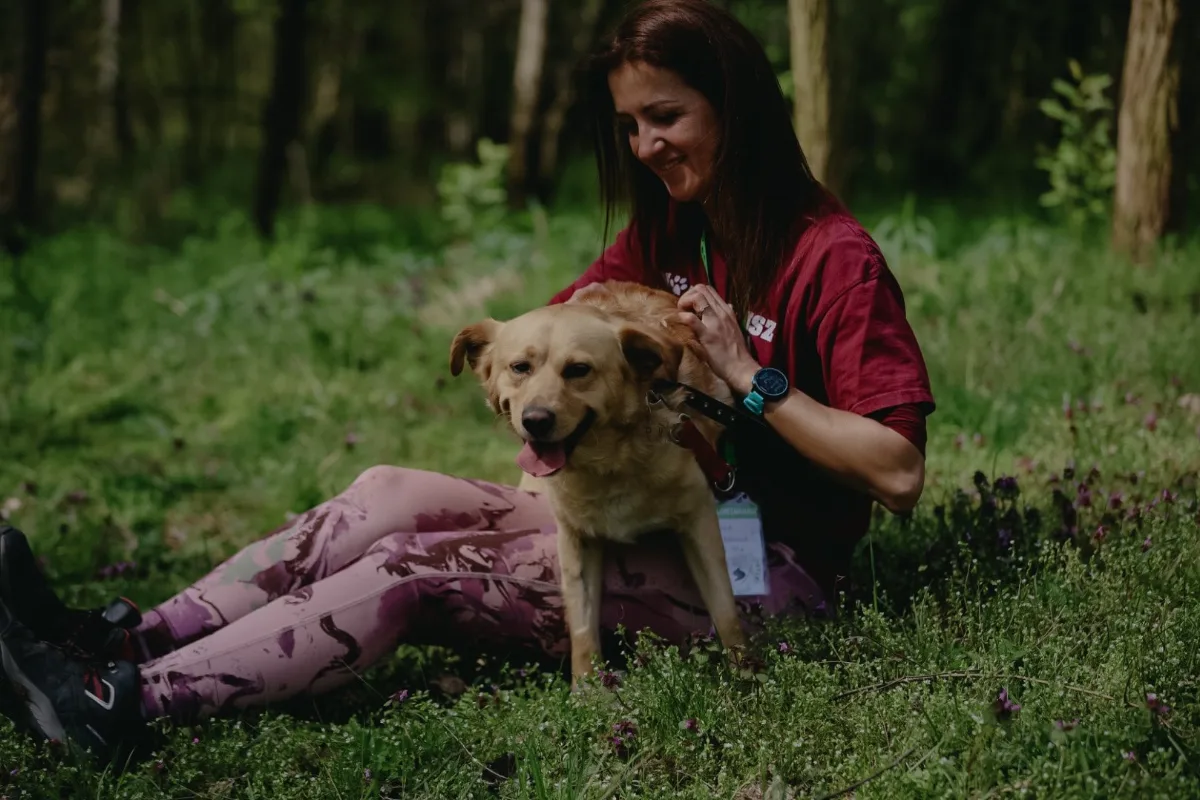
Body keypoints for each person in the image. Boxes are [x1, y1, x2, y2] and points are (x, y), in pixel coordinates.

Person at [0, 0, 934, 763]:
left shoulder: (832, 259)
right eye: (628, 126)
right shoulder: (675, 228)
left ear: (737, 108)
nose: (645, 147)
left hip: (763, 565)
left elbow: (896, 473)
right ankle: (125, 640)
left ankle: (119, 705)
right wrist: (516, 377)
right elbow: (553, 334)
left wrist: (750, 378)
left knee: (413, 572)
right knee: (387, 494)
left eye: (667, 117)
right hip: (627, 496)